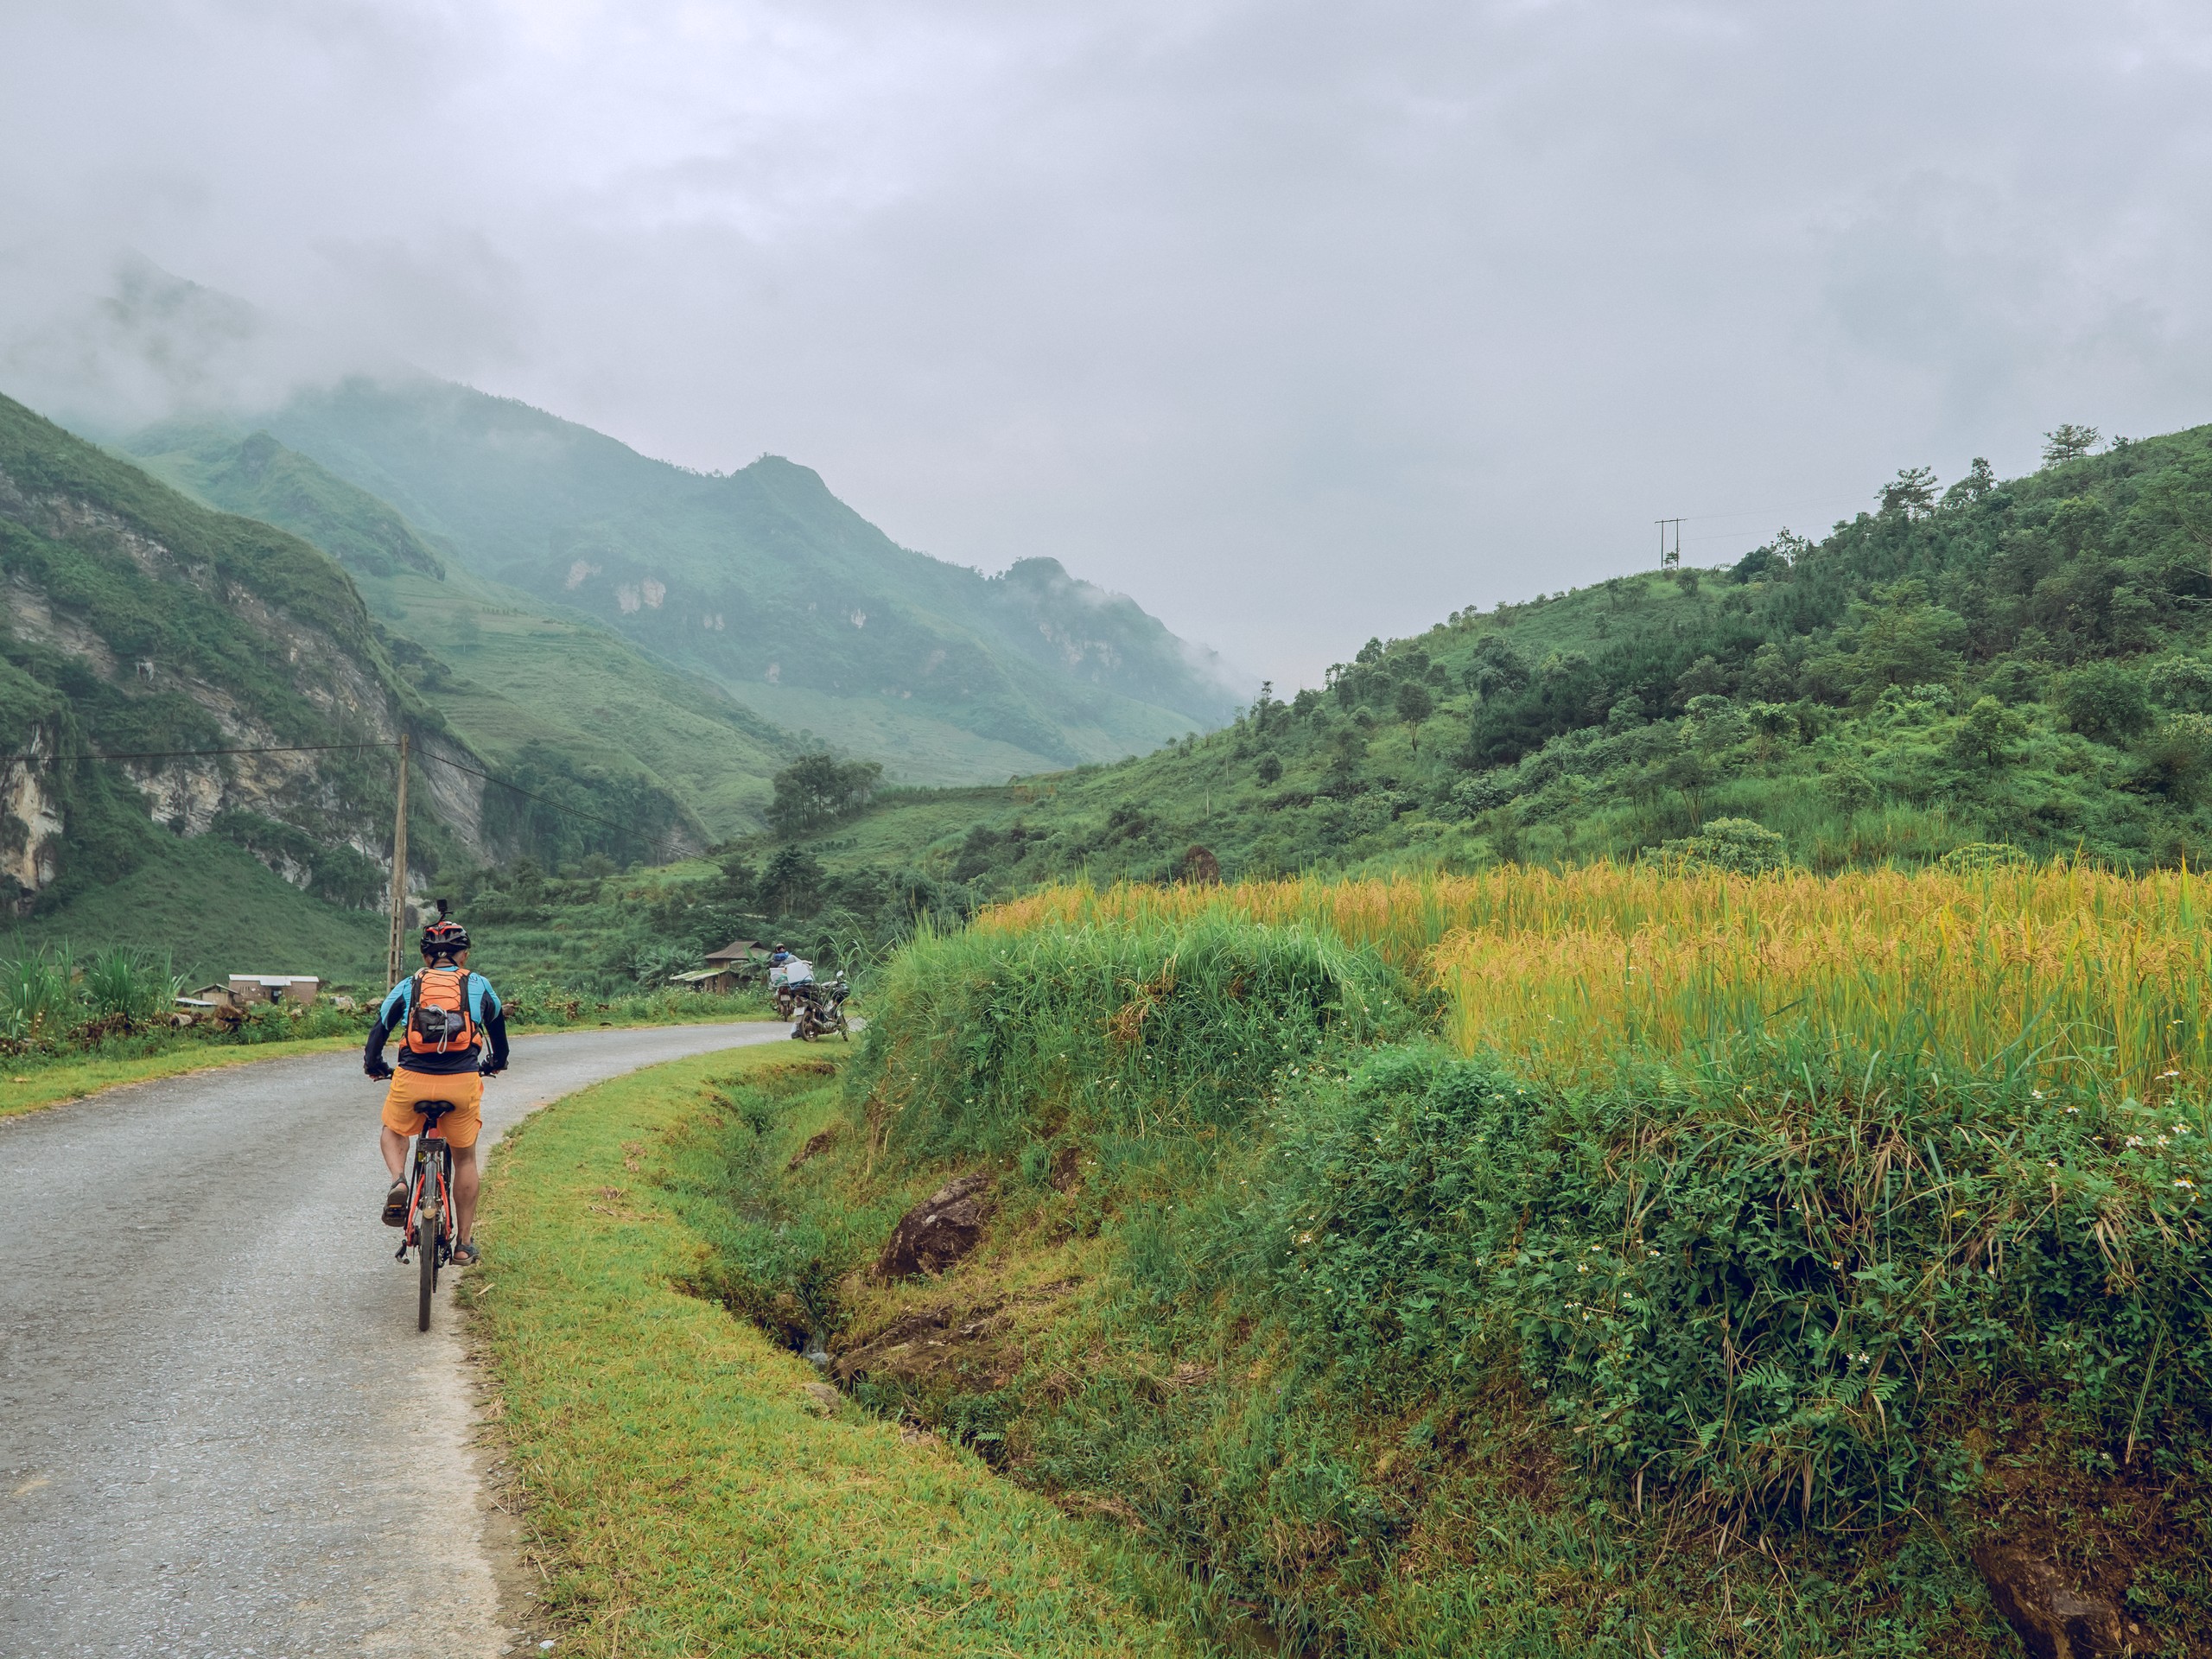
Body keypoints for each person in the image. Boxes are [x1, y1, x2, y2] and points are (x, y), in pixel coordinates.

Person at [366, 906, 508, 1266]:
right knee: (465, 1157)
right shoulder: (478, 984)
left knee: (393, 1129)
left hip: (411, 1079)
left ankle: (400, 1181)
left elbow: (379, 1031)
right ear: (463, 954)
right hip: (461, 1081)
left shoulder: (408, 985)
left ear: (426, 957)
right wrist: (496, 1063)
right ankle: (462, 1244)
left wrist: (375, 1066)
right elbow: (499, 1034)